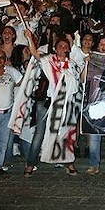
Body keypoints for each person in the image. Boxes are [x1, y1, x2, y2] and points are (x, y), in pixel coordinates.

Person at [17, 31, 82, 178]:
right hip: (46, 103)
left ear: (68, 49)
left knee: (66, 134)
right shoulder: (49, 60)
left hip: (65, 105)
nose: (62, 48)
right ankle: (30, 164)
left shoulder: (72, 65)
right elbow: (34, 53)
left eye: (65, 46)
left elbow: (76, 84)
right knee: (39, 134)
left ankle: (69, 163)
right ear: (55, 48)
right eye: (60, 45)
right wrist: (29, 37)